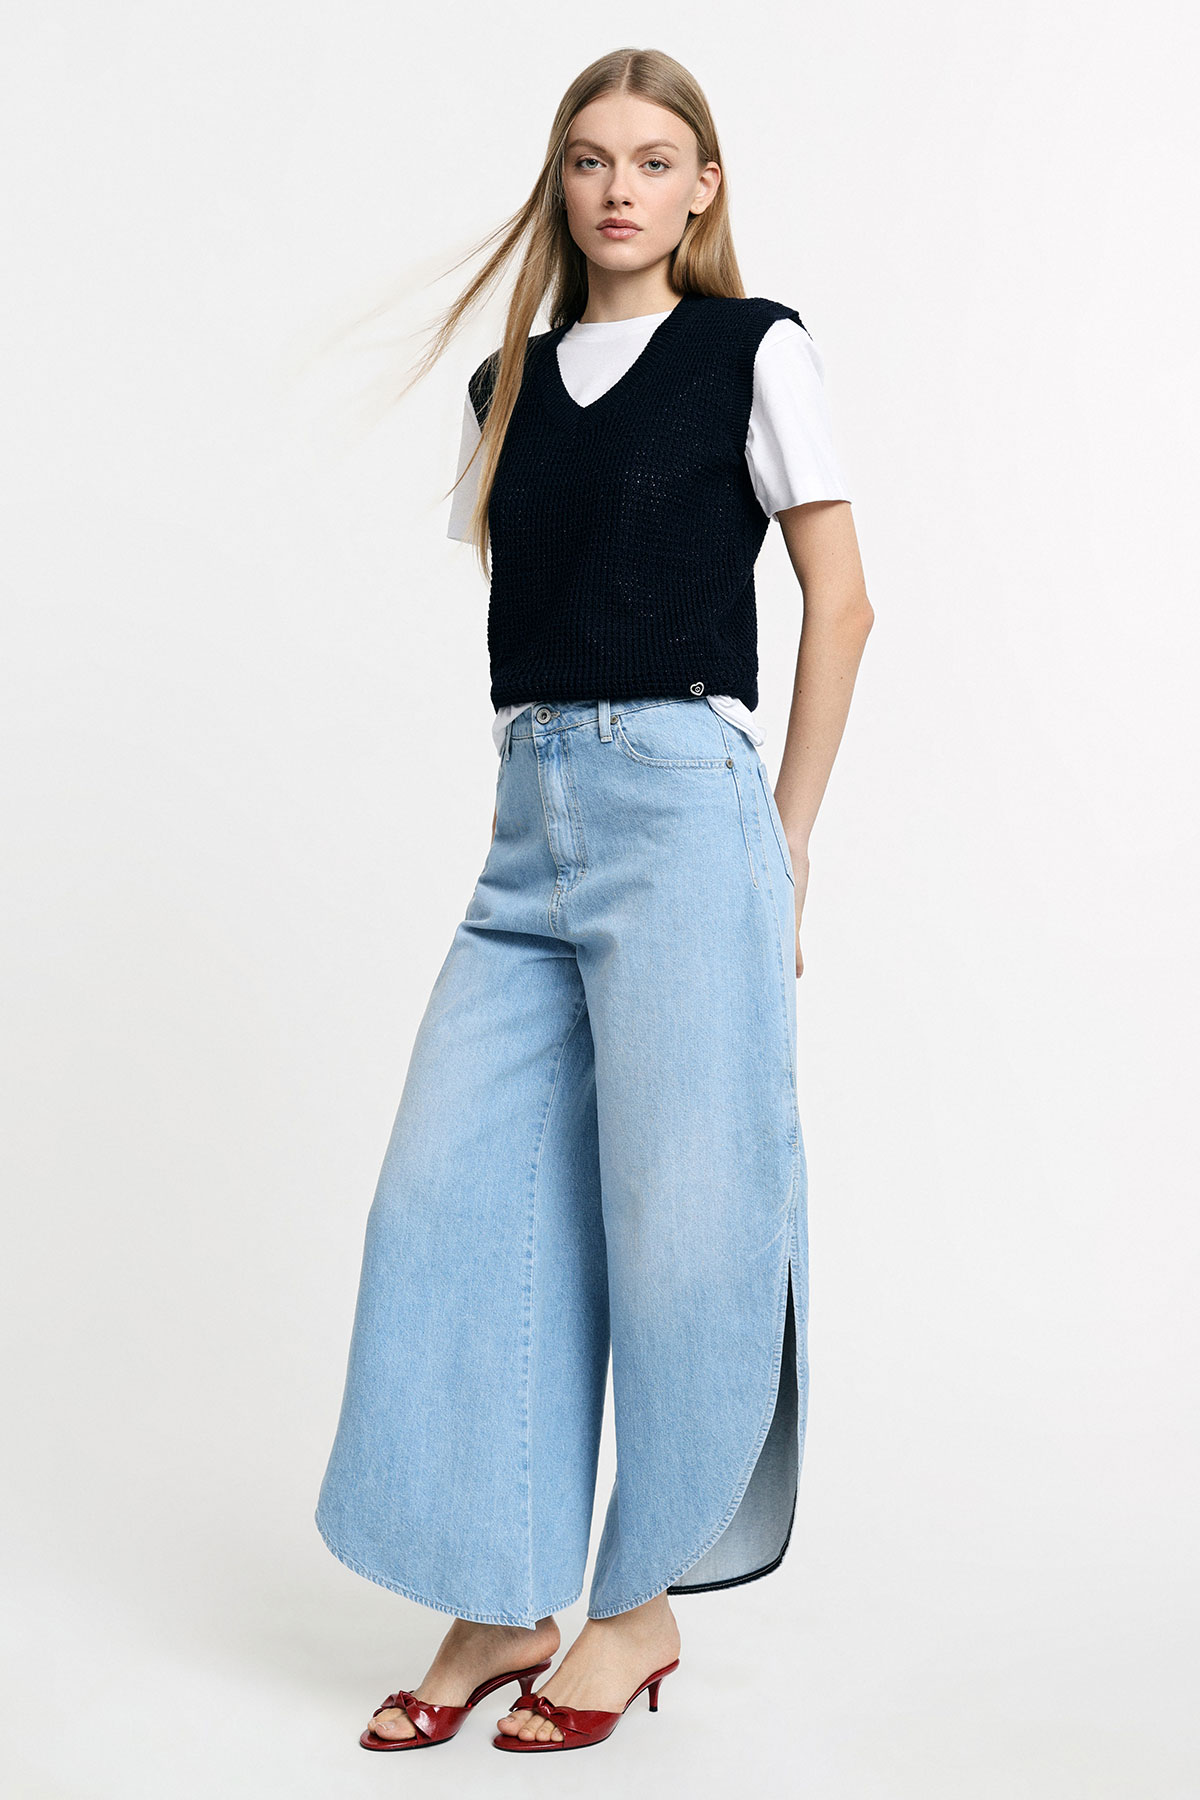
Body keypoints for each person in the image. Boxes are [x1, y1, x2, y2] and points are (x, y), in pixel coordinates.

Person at [314, 44, 873, 1755]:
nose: (617, 186)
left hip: (685, 808)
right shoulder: (508, 389)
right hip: (527, 818)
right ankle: (502, 1594)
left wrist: (780, 842)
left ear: (704, 185)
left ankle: (633, 1615)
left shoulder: (751, 350)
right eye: (586, 158)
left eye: (653, 157)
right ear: (559, 186)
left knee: (691, 1219)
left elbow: (842, 607)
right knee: (450, 1204)